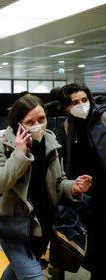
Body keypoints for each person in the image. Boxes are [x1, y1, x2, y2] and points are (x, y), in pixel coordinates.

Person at [0, 95, 92, 280]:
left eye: (41, 119)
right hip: (16, 228)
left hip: (42, 227)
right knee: (34, 276)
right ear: (18, 123)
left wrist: (73, 186)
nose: (38, 125)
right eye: (30, 121)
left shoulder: (50, 142)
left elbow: (58, 182)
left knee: (15, 273)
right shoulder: (2, 144)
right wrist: (19, 154)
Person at [57, 83, 106, 279]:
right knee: (90, 240)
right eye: (74, 102)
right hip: (83, 191)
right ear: (66, 107)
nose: (81, 105)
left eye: (84, 100)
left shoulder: (102, 118)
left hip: (104, 189)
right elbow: (69, 159)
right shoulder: (68, 125)